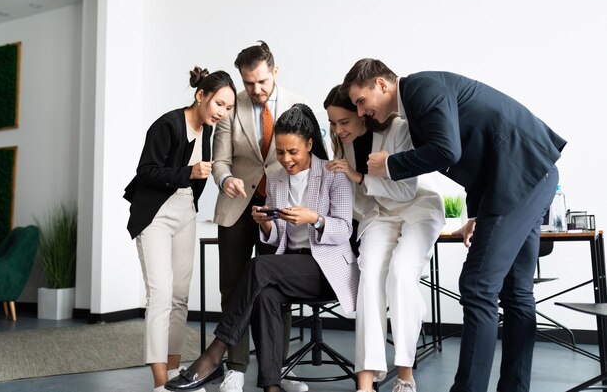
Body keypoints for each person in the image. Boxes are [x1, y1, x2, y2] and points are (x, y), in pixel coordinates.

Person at [340, 59, 567, 392]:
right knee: (517, 293)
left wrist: (389, 164)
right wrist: (474, 215)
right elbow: (475, 155)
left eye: (361, 101)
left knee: (477, 286)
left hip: (519, 176)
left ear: (381, 84)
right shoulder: (417, 102)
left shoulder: (419, 89)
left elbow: (447, 150)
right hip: (529, 173)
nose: (361, 112)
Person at [165, 103, 360, 392]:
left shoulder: (334, 174)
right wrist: (265, 224)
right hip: (290, 267)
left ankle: (215, 352)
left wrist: (315, 219)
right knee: (266, 294)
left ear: (308, 144)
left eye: (292, 151)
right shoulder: (277, 179)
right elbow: (277, 237)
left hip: (326, 270)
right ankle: (271, 385)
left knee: (258, 265)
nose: (286, 159)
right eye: (280, 152)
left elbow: (344, 229)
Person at [324, 85, 444, 392]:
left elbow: (405, 190)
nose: (338, 130)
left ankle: (405, 375)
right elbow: (353, 201)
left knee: (401, 273)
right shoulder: (339, 142)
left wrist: (358, 177)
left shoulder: (399, 129)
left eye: (344, 122)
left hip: (417, 207)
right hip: (379, 213)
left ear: (362, 115)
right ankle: (366, 381)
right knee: (369, 279)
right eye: (333, 123)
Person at [123, 67, 236, 392]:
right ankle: (160, 383)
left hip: (184, 210)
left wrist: (192, 182)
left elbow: (196, 182)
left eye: (228, 108)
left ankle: (174, 371)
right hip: (156, 213)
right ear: (201, 96)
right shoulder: (168, 124)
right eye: (219, 104)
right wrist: (188, 172)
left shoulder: (210, 131)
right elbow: (145, 172)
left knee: (179, 296)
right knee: (159, 296)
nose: (223, 113)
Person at [211, 41, 307, 392]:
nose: (256, 90)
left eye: (262, 81)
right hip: (237, 207)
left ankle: (277, 369)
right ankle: (235, 367)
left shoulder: (298, 105)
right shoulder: (232, 105)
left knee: (275, 291)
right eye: (248, 83)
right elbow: (219, 160)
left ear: (275, 72)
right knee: (233, 288)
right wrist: (225, 178)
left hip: (279, 209)